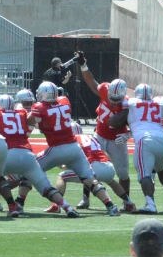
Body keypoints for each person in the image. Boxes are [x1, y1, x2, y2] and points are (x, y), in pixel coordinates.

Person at [28, 82, 121, 216]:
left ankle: (18, 203)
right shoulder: (64, 101)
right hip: (74, 148)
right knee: (90, 179)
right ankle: (110, 205)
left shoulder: (39, 107)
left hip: (57, 148)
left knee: (31, 168)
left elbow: (29, 121)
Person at [108, 84, 163, 214]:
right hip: (162, 141)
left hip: (145, 141)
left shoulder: (130, 102)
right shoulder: (159, 101)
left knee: (144, 175)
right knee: (161, 169)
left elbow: (114, 122)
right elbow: (145, 122)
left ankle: (150, 204)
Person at [78, 52, 132, 196]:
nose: (114, 101)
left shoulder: (128, 105)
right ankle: (85, 198)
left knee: (123, 173)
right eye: (111, 98)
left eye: (117, 99)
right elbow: (92, 83)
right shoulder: (104, 89)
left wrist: (128, 134)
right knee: (89, 167)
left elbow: (136, 124)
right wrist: (83, 66)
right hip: (99, 136)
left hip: (117, 139)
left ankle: (126, 201)